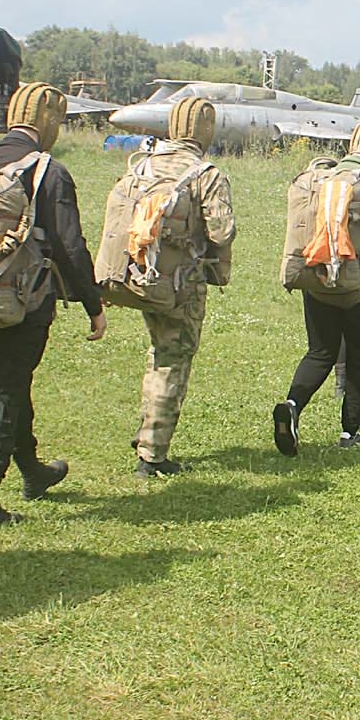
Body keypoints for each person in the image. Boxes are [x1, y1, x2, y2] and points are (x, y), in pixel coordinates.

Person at [0, 83, 106, 531]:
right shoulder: (49, 171)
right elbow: (69, 245)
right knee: (5, 388)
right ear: (47, 121)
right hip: (25, 300)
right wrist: (93, 303)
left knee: (9, 379)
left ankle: (32, 470)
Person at [102, 96, 236, 478]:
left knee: (158, 352)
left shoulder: (142, 164)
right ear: (205, 130)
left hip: (139, 274)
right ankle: (152, 455)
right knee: (172, 360)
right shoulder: (206, 174)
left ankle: (147, 432)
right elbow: (221, 232)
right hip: (180, 284)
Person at [273, 119, 360, 454]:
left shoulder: (320, 179)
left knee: (320, 352)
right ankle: (350, 433)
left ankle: (292, 405)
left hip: (316, 281)